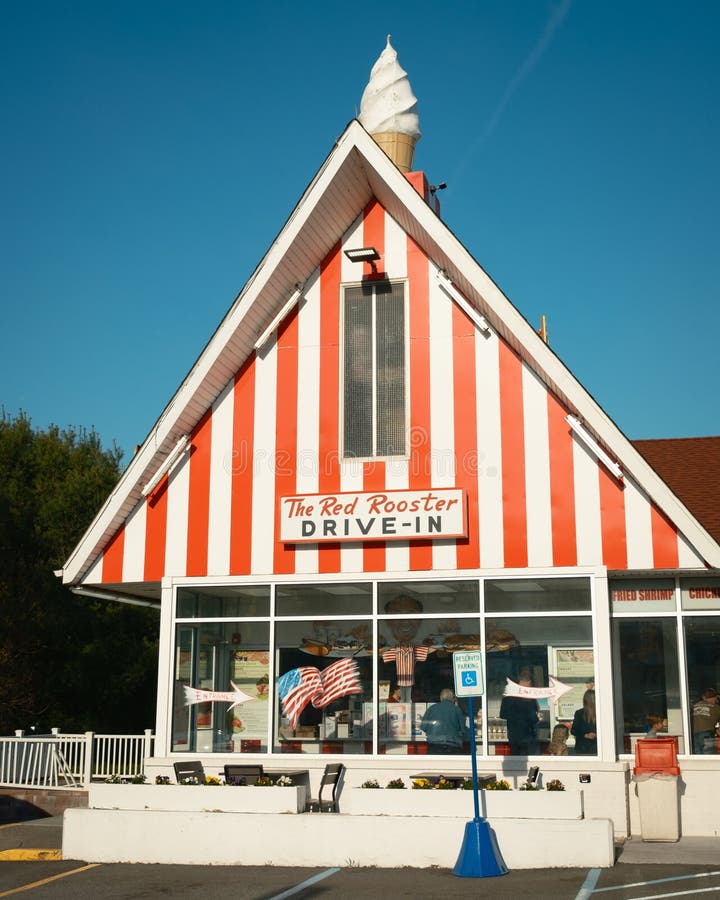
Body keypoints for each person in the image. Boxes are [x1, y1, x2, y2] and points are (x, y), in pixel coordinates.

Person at [499, 670, 540, 756]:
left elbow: (503, 714)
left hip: (513, 734)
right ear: (528, 682)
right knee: (530, 760)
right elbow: (533, 717)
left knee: (515, 759)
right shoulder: (528, 697)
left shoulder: (508, 696)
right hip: (527, 735)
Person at [420, 688, 467, 754]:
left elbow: (423, 727)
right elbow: (463, 730)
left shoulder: (431, 708)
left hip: (434, 746)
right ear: (453, 698)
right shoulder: (457, 710)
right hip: (453, 746)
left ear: (441, 698)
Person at [692, 688, 720, 754]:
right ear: (714, 698)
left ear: (704, 697)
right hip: (707, 734)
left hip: (694, 734)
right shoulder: (715, 707)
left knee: (698, 755)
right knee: (709, 755)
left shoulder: (695, 705)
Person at [571, 689, 597, 754]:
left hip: (583, 748)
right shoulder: (579, 713)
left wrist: (585, 735)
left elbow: (574, 731)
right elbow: (573, 731)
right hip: (594, 748)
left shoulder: (579, 713)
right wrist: (587, 735)